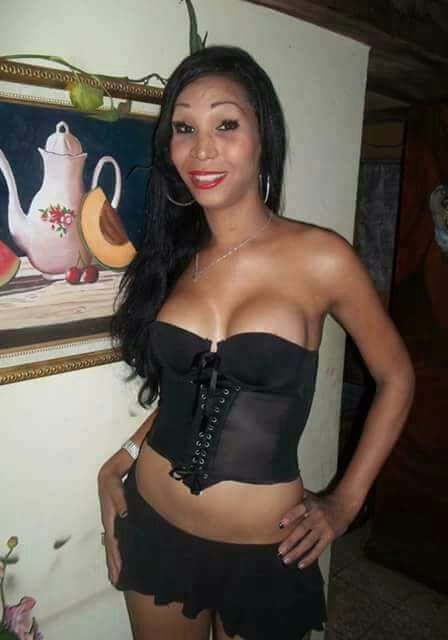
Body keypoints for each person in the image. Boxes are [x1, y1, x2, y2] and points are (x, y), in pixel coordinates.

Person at [97, 45, 415, 640]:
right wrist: (119, 462)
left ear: (263, 136)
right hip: (155, 525)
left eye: (225, 124)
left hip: (268, 550)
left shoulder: (322, 258)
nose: (202, 149)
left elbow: (397, 376)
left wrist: (346, 503)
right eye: (184, 128)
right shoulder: (174, 258)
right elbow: (189, 388)